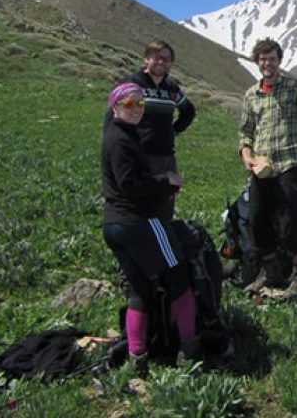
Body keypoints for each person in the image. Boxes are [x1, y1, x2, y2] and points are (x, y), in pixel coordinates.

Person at [101, 82, 200, 373]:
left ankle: (138, 358)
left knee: (140, 288)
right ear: (115, 107)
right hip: (141, 221)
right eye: (129, 105)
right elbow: (130, 184)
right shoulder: (121, 141)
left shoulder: (117, 135)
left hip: (114, 224)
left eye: (140, 104)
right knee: (178, 276)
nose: (136, 110)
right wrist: (166, 182)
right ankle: (190, 348)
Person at [239, 38, 297, 299]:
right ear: (257, 62)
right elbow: (246, 131)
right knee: (257, 217)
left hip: (289, 165)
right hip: (261, 168)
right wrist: (246, 154)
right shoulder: (252, 94)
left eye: (271, 58)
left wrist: (295, 146)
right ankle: (271, 269)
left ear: (279, 60)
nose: (267, 63)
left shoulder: (294, 87)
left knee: (289, 219)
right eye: (262, 59)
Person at [106, 40, 196, 220]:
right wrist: (113, 143)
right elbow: (112, 113)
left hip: (164, 156)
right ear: (146, 58)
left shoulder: (171, 88)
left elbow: (189, 111)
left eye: (167, 59)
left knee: (164, 205)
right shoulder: (132, 84)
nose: (161, 62)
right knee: (137, 203)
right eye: (157, 57)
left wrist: (173, 130)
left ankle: (160, 238)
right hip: (137, 154)